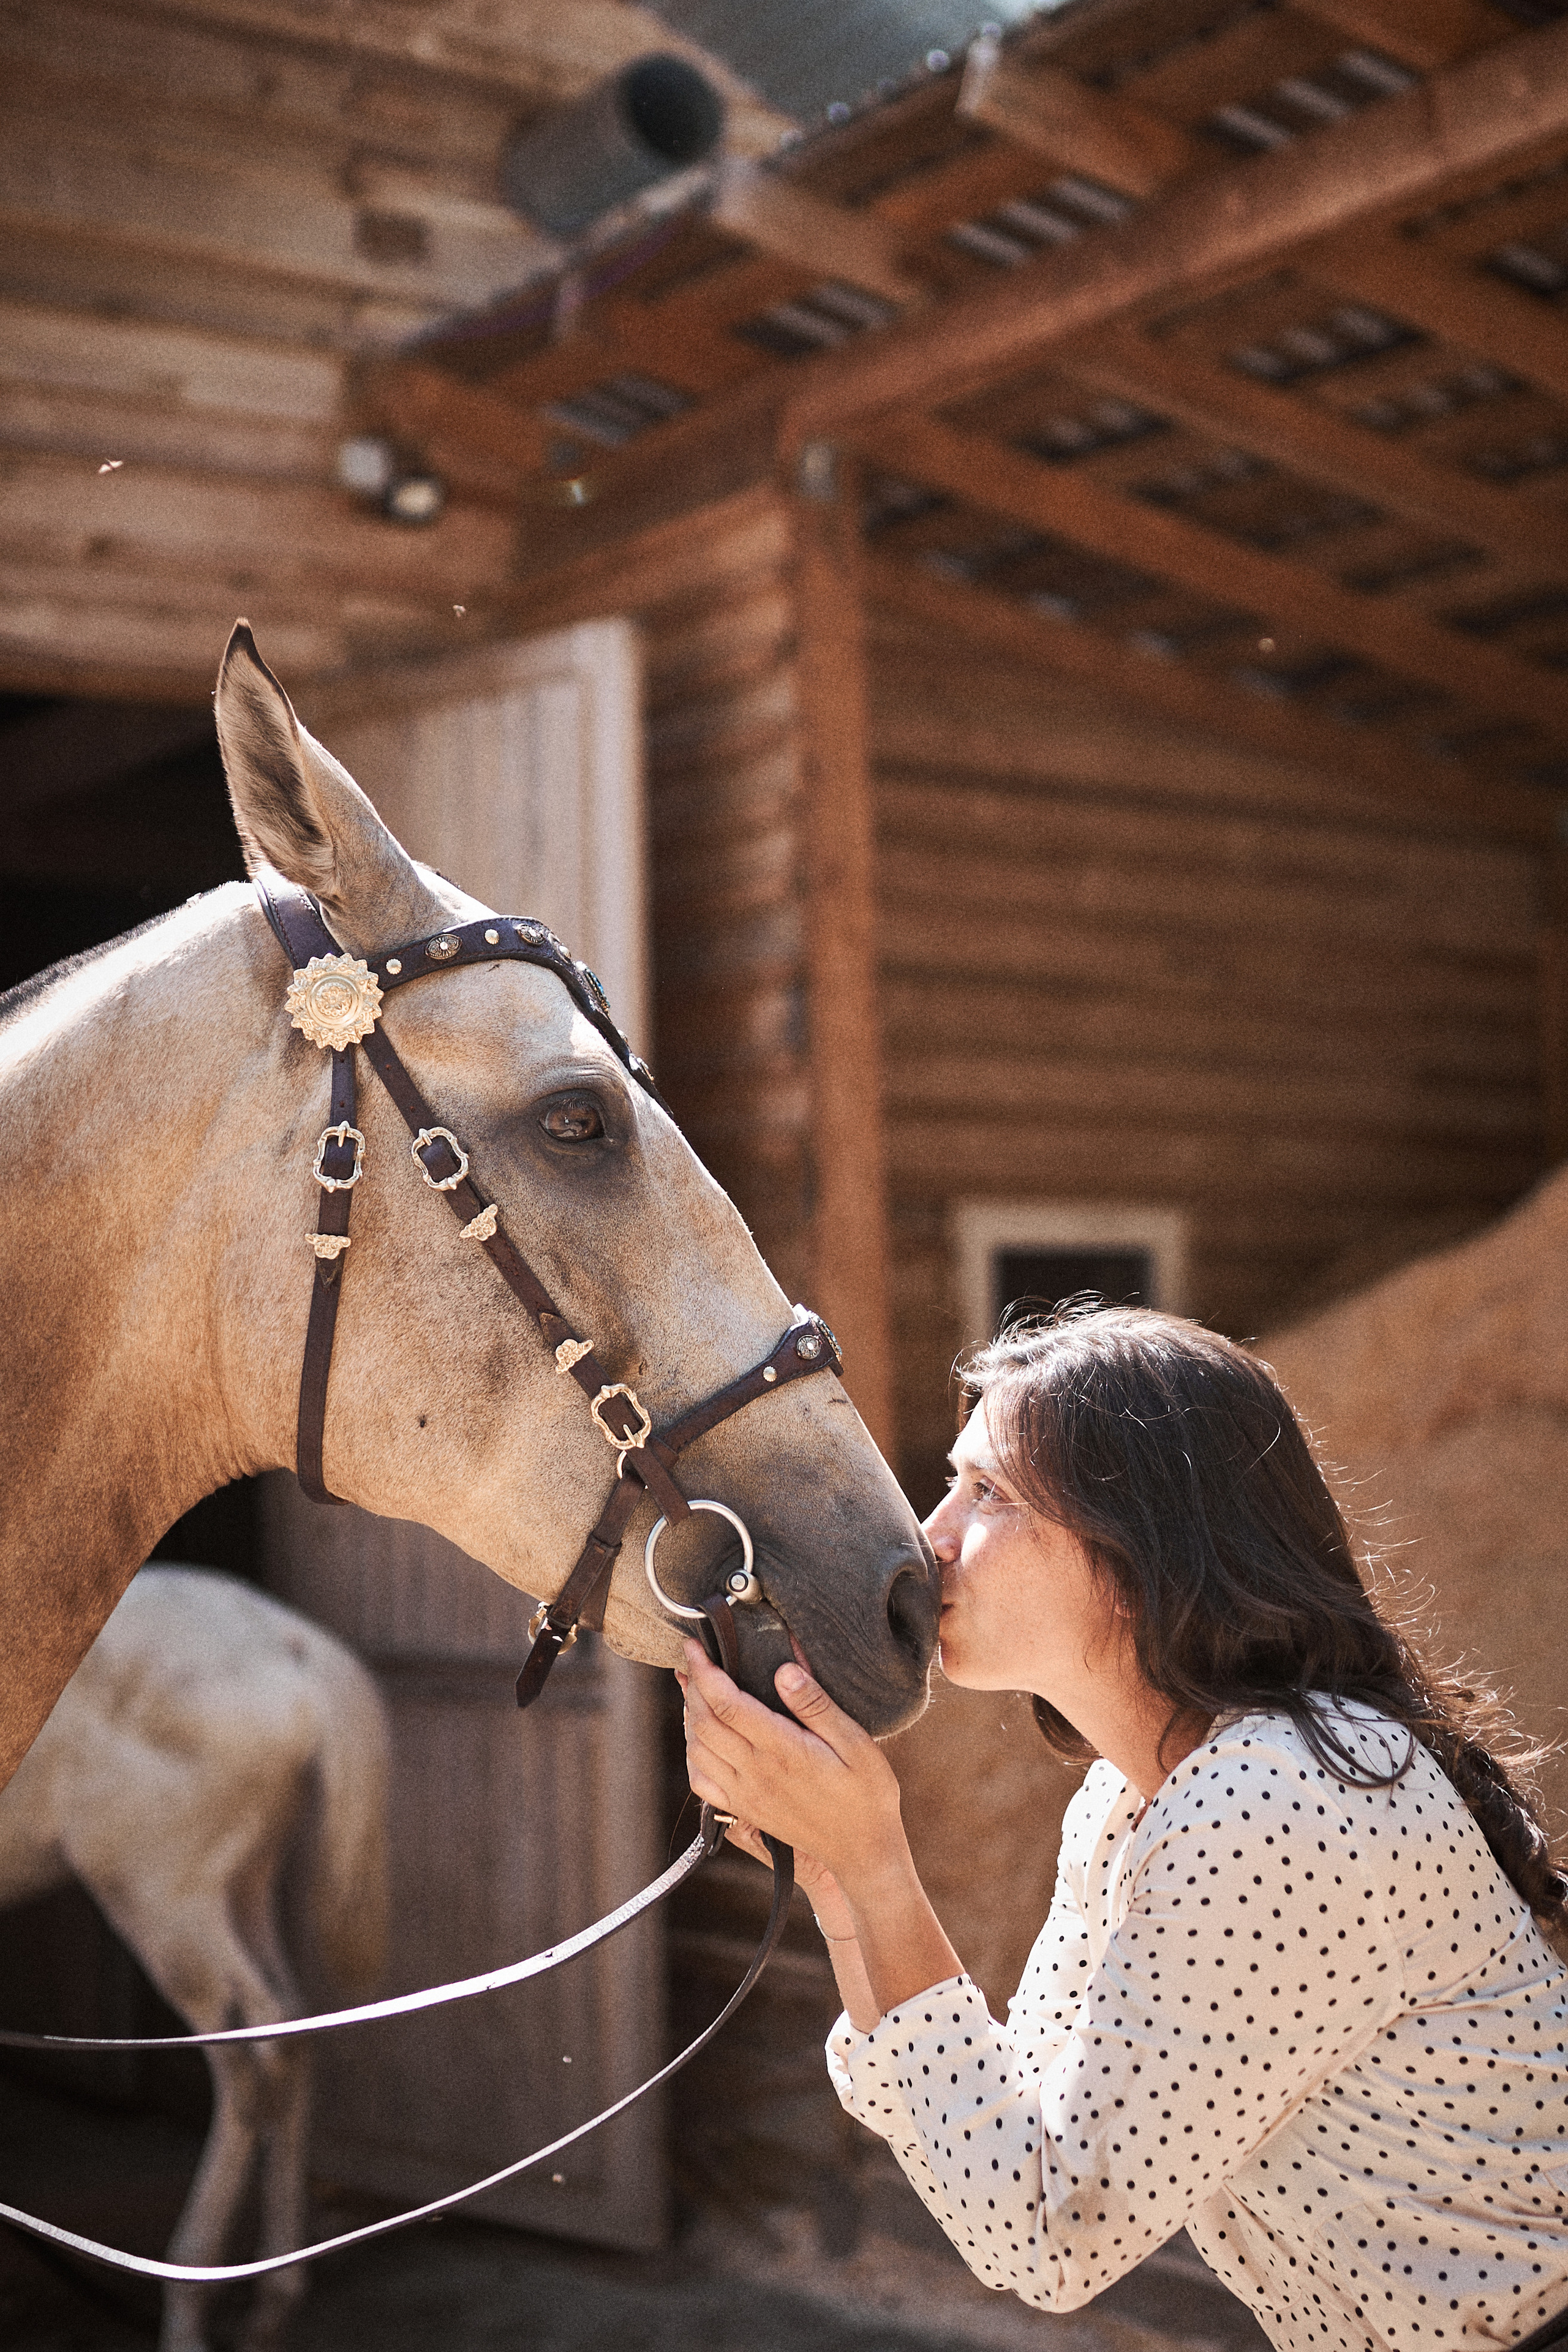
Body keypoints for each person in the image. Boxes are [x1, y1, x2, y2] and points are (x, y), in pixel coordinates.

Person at [680, 1305, 1568, 2351]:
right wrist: (841, 1884)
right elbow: (1008, 2147)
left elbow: (1051, 2234)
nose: (932, 1535)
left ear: (1143, 1558)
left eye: (989, 1493)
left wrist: (881, 1867)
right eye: (953, 1483)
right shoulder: (1127, 1803)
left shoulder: (1278, 1801)